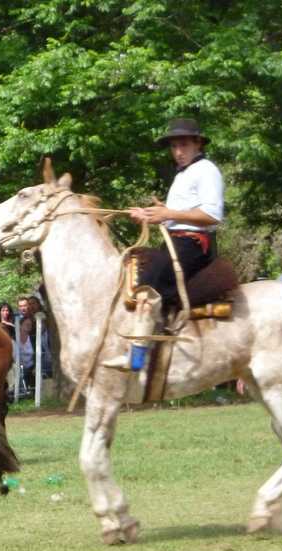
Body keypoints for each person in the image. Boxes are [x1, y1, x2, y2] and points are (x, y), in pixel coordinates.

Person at [104, 117, 224, 371]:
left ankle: (138, 355)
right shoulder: (184, 174)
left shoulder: (206, 170)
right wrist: (152, 214)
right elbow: (176, 214)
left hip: (192, 245)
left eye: (183, 145)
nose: (178, 152)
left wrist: (167, 214)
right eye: (174, 147)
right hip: (176, 242)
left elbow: (212, 215)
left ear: (198, 144)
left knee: (148, 280)